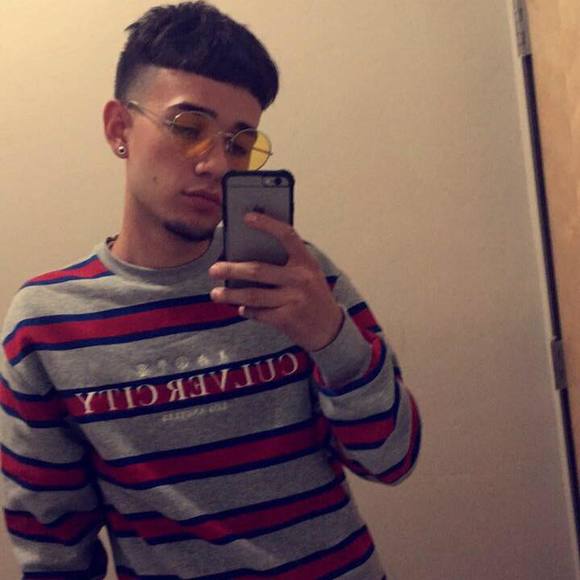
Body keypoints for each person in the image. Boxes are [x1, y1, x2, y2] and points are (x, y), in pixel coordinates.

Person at [0, 2, 421, 578]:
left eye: (239, 143)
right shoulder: (47, 324)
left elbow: (393, 460)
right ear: (119, 128)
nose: (218, 164)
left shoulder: (297, 279)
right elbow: (54, 544)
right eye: (188, 128)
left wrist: (331, 338)